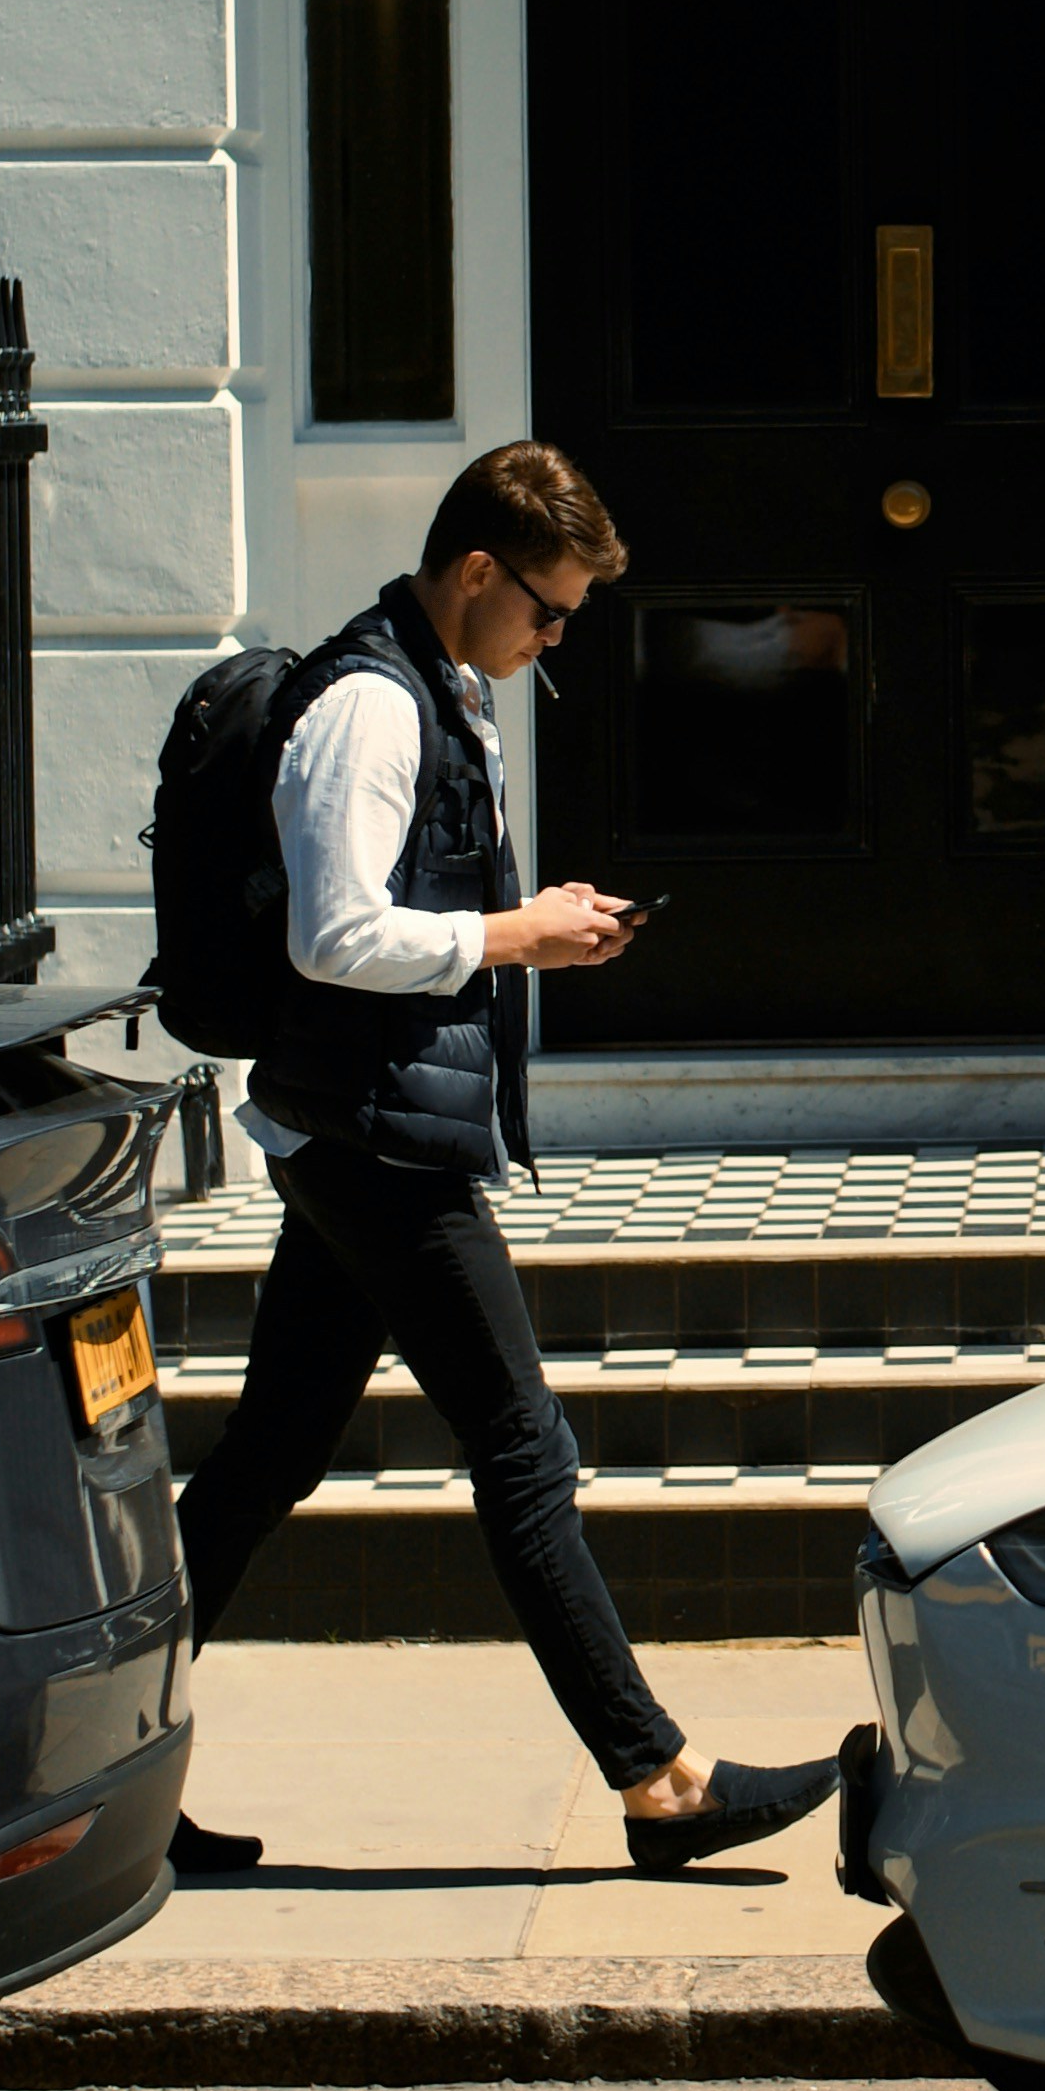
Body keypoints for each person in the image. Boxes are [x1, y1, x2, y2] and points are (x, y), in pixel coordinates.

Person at [167, 444, 835, 1885]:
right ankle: (662, 1780)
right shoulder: (367, 707)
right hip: (373, 1142)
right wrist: (516, 933)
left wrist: (532, 919)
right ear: (477, 572)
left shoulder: (442, 685)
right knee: (524, 1452)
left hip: (366, 1126)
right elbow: (334, 936)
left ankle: (89, 1767)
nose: (555, 639)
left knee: (263, 1461)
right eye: (548, 609)